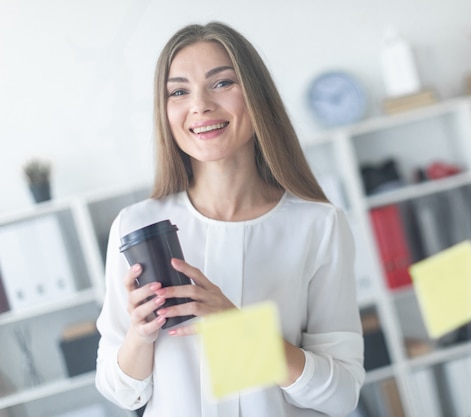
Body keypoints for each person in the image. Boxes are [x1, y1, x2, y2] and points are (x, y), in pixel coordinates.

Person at [95, 21, 365, 417]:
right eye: (179, 91)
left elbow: (342, 396)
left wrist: (242, 329)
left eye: (221, 83)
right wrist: (139, 334)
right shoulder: (135, 226)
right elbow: (121, 392)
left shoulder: (318, 225)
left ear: (256, 97)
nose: (200, 105)